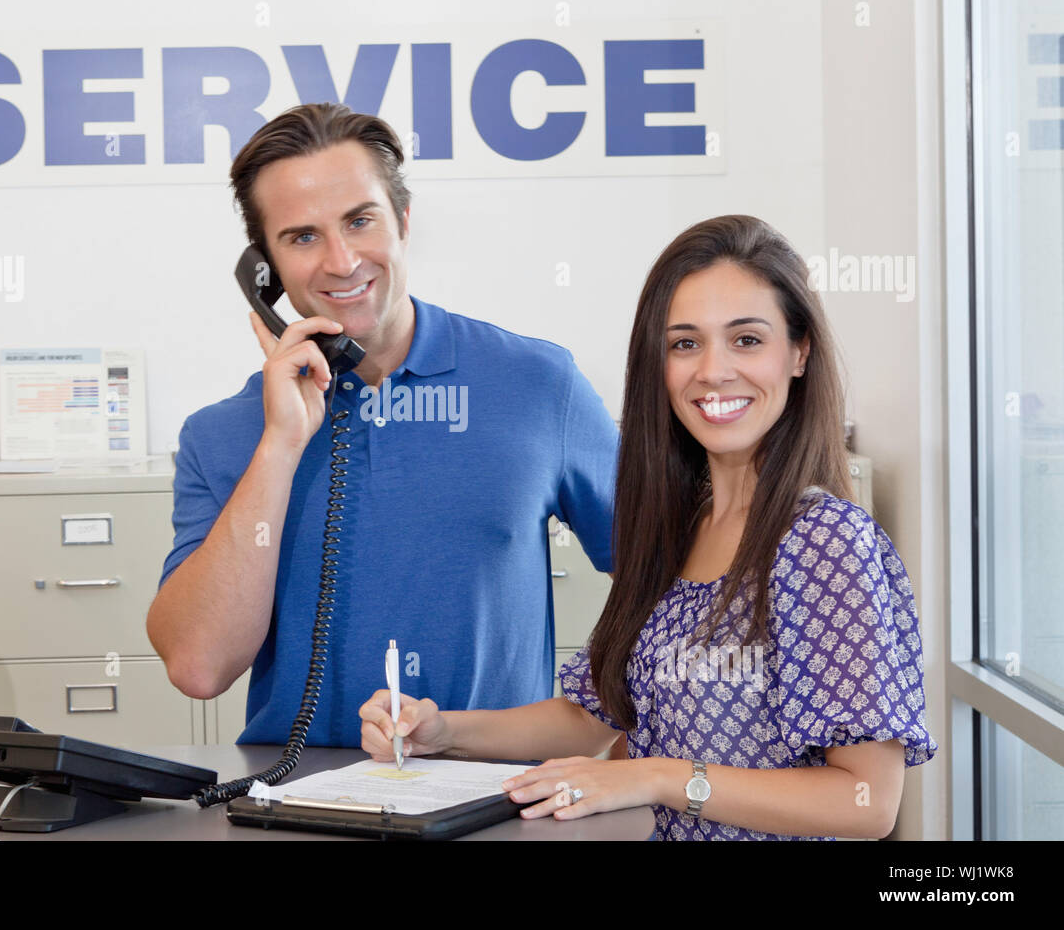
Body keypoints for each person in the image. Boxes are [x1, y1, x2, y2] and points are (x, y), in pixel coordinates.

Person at [359, 214, 938, 840]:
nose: (712, 371)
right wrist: (443, 732)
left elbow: (867, 802)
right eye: (684, 343)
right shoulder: (675, 527)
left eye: (747, 339)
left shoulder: (825, 541)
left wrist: (660, 777)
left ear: (799, 352)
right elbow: (593, 715)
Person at [148, 103, 619, 747]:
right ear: (266, 271)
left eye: (360, 221)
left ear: (401, 221)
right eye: (303, 237)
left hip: (496, 798)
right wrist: (281, 446)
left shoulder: (539, 385)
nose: (341, 262)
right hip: (300, 805)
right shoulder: (223, 435)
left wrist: (599, 718)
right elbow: (199, 667)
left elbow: (670, 572)